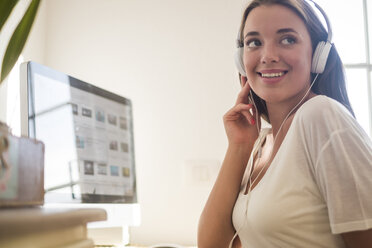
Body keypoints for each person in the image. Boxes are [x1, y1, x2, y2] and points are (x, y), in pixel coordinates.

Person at [197, 0, 372, 247]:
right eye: (254, 42)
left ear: (317, 54)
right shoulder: (260, 143)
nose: (268, 56)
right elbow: (210, 245)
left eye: (288, 39)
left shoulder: (321, 117)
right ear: (241, 59)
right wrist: (238, 146)